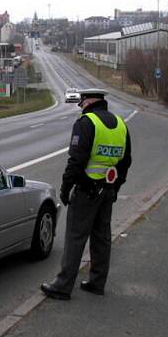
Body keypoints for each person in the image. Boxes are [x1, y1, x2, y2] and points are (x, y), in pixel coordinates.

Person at [41, 88, 132, 300]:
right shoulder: (120, 124)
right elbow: (126, 161)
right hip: (107, 190)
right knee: (102, 238)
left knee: (75, 236)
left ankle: (63, 286)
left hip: (86, 191)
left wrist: (65, 189)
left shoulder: (86, 123)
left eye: (81, 102)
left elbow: (76, 160)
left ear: (88, 101)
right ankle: (97, 282)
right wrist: (116, 186)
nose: (80, 106)